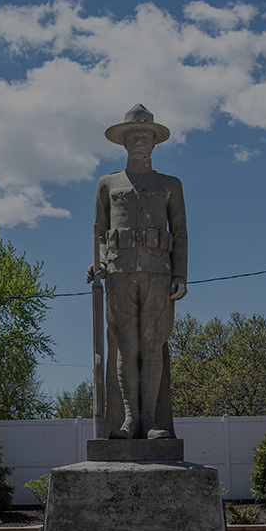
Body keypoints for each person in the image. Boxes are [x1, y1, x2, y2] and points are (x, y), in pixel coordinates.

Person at [88, 104, 187, 439]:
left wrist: (180, 274)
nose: (139, 142)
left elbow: (182, 232)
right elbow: (99, 230)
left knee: (152, 344)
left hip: (159, 273)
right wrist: (99, 261)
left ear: (155, 142)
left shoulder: (170, 183)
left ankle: (152, 421)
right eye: (133, 136)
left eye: (145, 136)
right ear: (124, 143)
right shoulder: (107, 183)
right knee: (126, 346)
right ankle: (129, 421)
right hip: (119, 272)